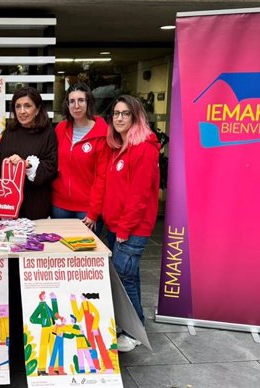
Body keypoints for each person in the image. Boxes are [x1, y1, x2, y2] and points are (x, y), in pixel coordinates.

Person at [102, 94, 160, 352]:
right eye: (116, 113)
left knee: (125, 280)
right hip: (116, 227)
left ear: (136, 117)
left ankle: (135, 331)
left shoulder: (144, 149)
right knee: (127, 277)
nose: (119, 118)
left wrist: (124, 229)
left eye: (125, 113)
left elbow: (138, 196)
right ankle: (130, 324)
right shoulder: (120, 147)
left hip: (131, 229)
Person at [0, 87, 58, 220]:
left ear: (38, 109)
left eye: (27, 106)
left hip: (35, 206)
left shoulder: (48, 133)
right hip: (7, 206)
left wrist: (26, 164)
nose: (22, 111)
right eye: (18, 106)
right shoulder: (10, 132)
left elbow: (51, 167)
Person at [51, 83, 110, 234]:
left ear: (88, 102)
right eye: (72, 101)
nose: (76, 106)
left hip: (86, 210)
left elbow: (101, 177)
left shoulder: (102, 134)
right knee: (60, 254)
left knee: (84, 256)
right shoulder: (60, 129)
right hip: (60, 207)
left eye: (81, 100)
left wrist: (93, 212)